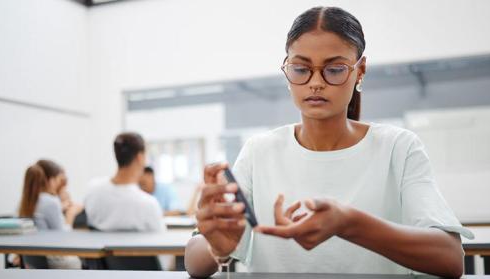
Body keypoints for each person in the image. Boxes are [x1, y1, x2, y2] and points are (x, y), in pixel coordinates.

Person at [184, 6, 473, 278]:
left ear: (360, 71)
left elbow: (449, 257)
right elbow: (195, 264)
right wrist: (216, 247)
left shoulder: (398, 147)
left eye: (334, 69)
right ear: (287, 70)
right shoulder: (259, 151)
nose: (316, 82)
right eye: (301, 69)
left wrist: (350, 224)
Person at [84, 132, 163, 232]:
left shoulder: (92, 189)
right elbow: (160, 242)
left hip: (99, 247)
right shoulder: (149, 204)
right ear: (140, 157)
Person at [18, 159, 83, 269]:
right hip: (55, 261)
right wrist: (70, 215)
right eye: (59, 179)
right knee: (84, 259)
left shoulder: (26, 202)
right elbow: (64, 238)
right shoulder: (50, 202)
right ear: (51, 180)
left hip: (33, 262)